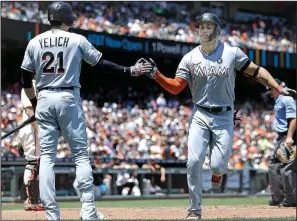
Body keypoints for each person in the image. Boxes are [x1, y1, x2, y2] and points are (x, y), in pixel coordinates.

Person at [140, 13, 297, 219]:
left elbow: (256, 71)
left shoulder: (232, 53)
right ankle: (194, 210)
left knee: (218, 165)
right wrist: (157, 75)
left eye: (209, 26)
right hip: (200, 114)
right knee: (193, 162)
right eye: (201, 26)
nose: (205, 30)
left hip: (224, 116)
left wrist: (277, 87)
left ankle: (217, 173)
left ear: (217, 29)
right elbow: (177, 88)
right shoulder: (190, 58)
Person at [20, 2, 153, 220]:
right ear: (68, 19)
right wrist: (129, 70)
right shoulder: (77, 39)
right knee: (81, 156)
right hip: (68, 97)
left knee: (47, 159)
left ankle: (52, 215)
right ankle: (88, 211)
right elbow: (101, 64)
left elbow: (25, 78)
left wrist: (35, 103)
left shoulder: (35, 41)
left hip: (43, 97)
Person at [15, 80, 45, 211]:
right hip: (32, 128)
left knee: (34, 164)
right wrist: (38, 129)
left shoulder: (40, 83)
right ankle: (32, 202)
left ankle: (30, 200)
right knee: (34, 163)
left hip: (30, 129)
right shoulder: (31, 84)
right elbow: (29, 109)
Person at [266, 79, 296, 207]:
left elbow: (294, 118)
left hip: (290, 137)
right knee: (273, 166)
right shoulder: (279, 99)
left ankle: (292, 199)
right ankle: (278, 197)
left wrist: (289, 137)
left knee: (286, 169)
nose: (270, 93)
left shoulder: (287, 99)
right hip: (281, 138)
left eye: (271, 90)